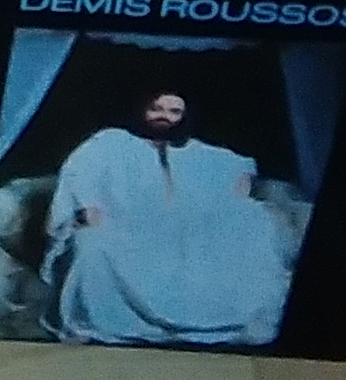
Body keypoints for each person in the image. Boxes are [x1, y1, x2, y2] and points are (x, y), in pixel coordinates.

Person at [37, 89, 295, 348]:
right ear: (143, 110)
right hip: (125, 229)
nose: (164, 117)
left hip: (185, 232)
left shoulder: (197, 152)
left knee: (254, 221)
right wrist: (88, 205)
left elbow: (237, 166)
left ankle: (219, 319)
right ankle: (100, 323)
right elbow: (80, 173)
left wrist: (242, 179)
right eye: (157, 109)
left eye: (174, 112)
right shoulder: (110, 142)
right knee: (91, 243)